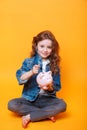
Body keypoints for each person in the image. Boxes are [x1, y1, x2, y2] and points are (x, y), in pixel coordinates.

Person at [8, 30, 67, 128]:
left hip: (47, 100)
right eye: (42, 46)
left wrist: (49, 86)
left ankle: (29, 116)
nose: (45, 50)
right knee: (12, 104)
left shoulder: (55, 66)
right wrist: (31, 72)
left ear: (53, 49)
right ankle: (45, 114)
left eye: (49, 47)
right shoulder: (29, 62)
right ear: (36, 46)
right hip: (29, 99)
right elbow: (20, 78)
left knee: (62, 105)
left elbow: (57, 87)